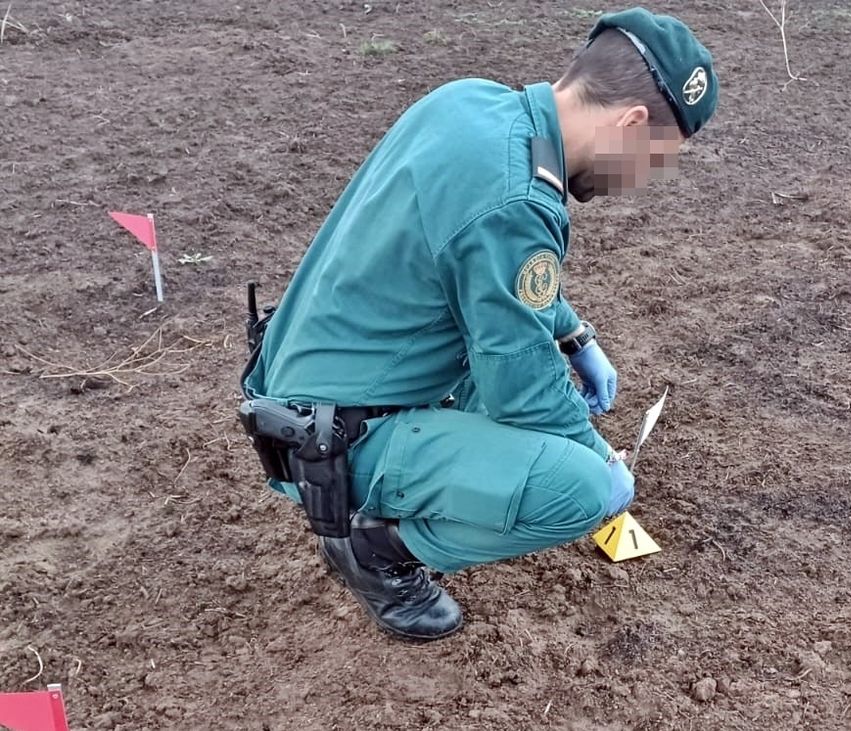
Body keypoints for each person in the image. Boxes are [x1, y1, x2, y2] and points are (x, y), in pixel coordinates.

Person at [238, 8, 719, 641]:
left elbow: (484, 264)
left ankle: (409, 477)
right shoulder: (518, 201)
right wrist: (605, 461)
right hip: (331, 441)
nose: (645, 180)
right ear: (631, 125)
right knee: (579, 488)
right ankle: (373, 551)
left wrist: (574, 336)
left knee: (525, 407)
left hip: (299, 384)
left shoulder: (471, 103)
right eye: (657, 161)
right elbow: (521, 387)